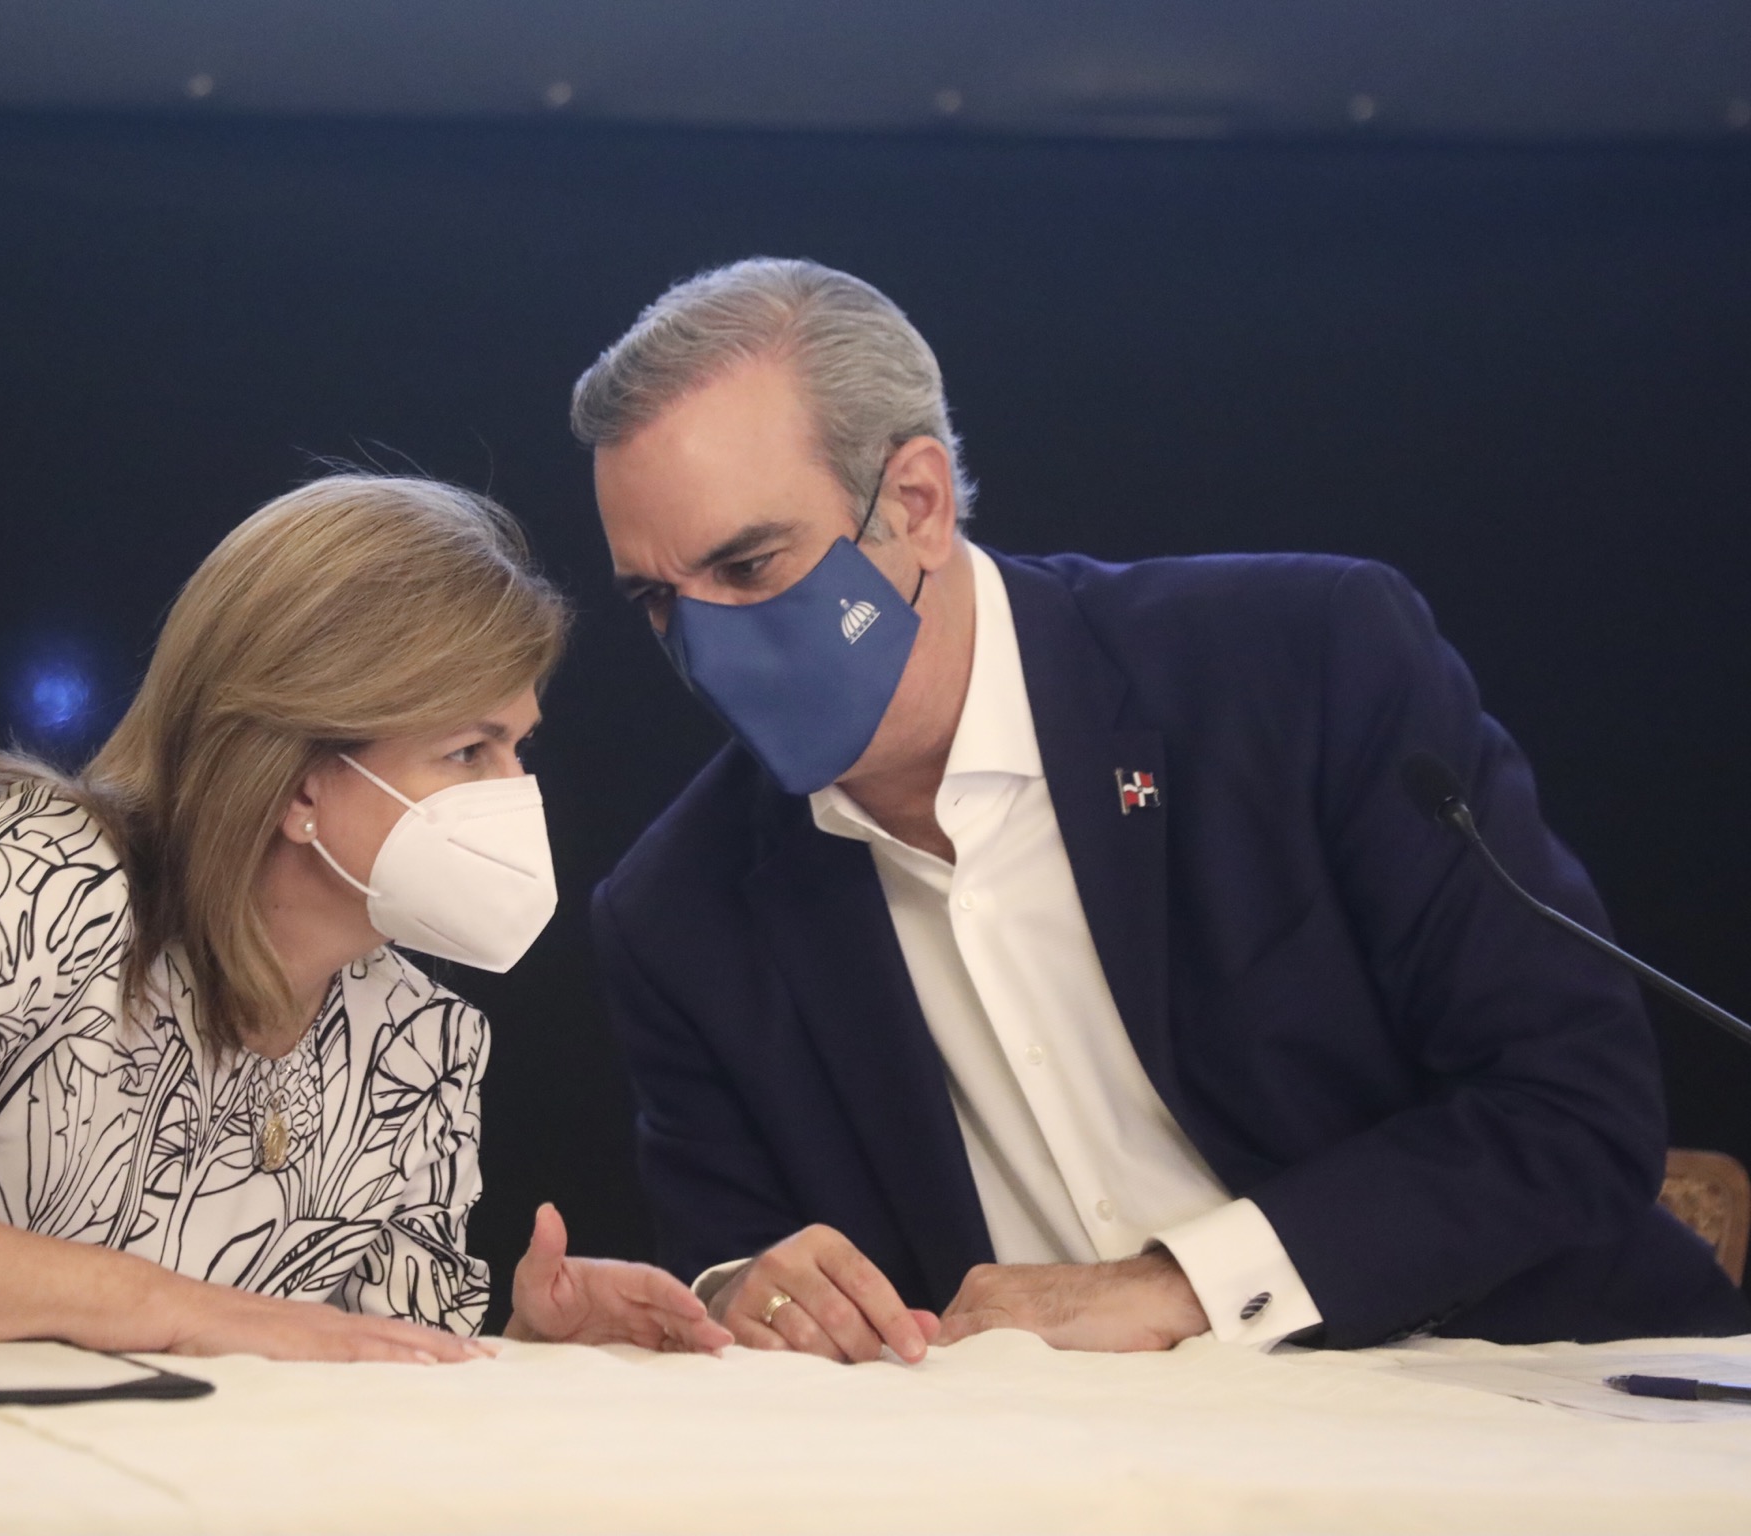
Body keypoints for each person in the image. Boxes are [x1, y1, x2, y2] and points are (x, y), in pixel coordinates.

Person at [572, 257, 1751, 1362]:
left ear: (918, 502)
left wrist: (1183, 1289)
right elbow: (737, 1276)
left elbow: (1574, 1103)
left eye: (750, 566)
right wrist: (749, 1297)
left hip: (1531, 1397)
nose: (709, 649)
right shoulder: (679, 914)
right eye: (659, 603)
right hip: (1075, 1472)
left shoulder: (1299, 667)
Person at [0, 474, 731, 1362]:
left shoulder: (420, 1044)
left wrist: (530, 1340)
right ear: (298, 782)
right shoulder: (53, 879)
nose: (516, 795)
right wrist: (179, 1310)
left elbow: (365, 1366)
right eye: (469, 750)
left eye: (519, 746)